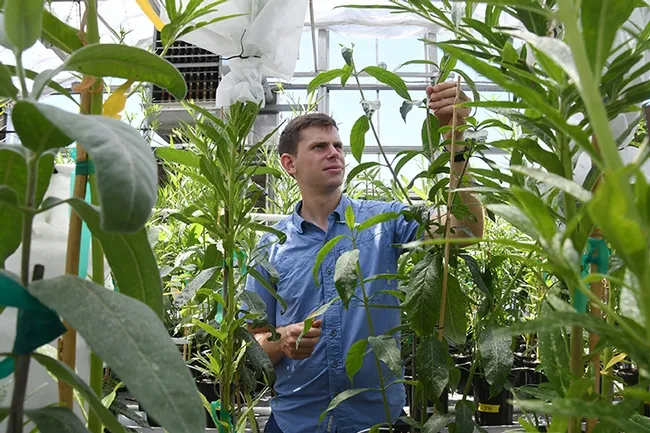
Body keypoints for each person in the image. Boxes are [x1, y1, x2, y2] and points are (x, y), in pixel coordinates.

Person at [244, 82, 484, 433]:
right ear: (289, 164)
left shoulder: (381, 222)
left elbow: (465, 230)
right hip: (297, 422)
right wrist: (281, 339)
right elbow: (254, 343)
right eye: (320, 146)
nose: (335, 153)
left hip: (376, 421)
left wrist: (455, 137)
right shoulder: (270, 246)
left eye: (339, 146)